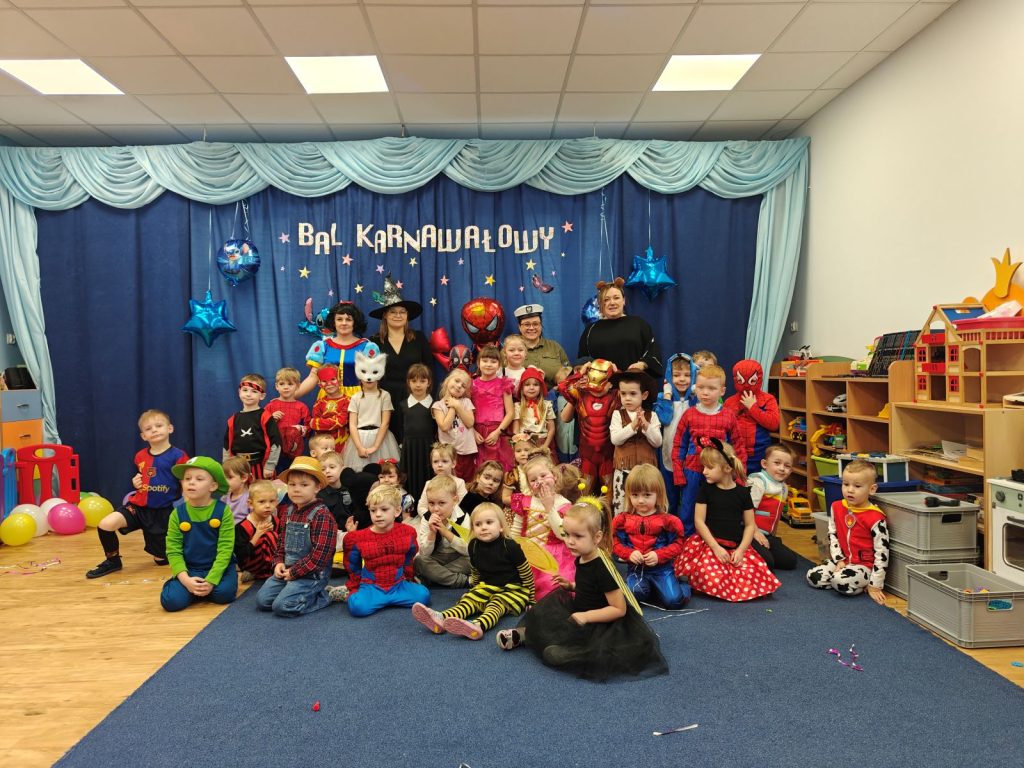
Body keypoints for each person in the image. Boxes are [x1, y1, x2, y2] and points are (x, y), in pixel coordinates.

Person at [496, 497, 668, 681]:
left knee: (559, 653)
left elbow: (619, 609)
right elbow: (591, 587)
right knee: (546, 615)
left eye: (577, 536)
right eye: (567, 534)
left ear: (597, 537)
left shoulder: (602, 568)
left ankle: (569, 652)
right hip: (580, 609)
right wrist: (571, 586)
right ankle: (523, 635)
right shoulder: (582, 555)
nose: (570, 541)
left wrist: (586, 616)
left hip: (602, 623)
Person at [86, 409, 189, 579]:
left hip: (162, 512)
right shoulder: (140, 456)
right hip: (138, 507)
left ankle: (174, 550)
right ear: (143, 436)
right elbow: (143, 477)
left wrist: (186, 507)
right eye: (148, 429)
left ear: (170, 428)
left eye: (159, 425)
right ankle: (113, 561)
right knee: (105, 524)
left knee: (161, 559)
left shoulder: (178, 456)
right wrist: (136, 482)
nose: (154, 430)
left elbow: (185, 482)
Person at [673, 439, 780, 602]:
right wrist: (715, 548)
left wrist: (741, 550)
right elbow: (699, 522)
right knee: (711, 576)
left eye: (709, 468)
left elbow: (750, 525)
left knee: (754, 575)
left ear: (727, 468)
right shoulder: (705, 490)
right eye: (703, 467)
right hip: (710, 546)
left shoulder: (743, 493)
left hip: (735, 546)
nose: (704, 472)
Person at [411, 502, 536, 640]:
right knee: (468, 601)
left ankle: (478, 625)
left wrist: (531, 599)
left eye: (489, 522)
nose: (484, 527)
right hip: (487, 587)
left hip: (512, 590)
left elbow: (526, 574)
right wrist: (474, 590)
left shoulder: (510, 546)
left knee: (495, 606)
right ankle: (441, 617)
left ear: (501, 526)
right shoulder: (474, 545)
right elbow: (475, 570)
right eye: (478, 524)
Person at [256, 457, 338, 617]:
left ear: (317, 487)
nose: (296, 489)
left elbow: (320, 557)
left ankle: (324, 596)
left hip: (312, 574)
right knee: (263, 601)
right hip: (287, 570)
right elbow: (281, 543)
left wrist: (294, 572)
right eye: (292, 485)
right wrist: (278, 562)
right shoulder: (288, 511)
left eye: (304, 485)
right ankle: (297, 591)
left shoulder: (322, 515)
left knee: (282, 606)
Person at [672, 364, 746, 535]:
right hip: (692, 471)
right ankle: (687, 540)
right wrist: (678, 472)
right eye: (700, 387)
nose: (705, 392)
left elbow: (738, 446)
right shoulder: (689, 415)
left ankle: (713, 540)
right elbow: (678, 445)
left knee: (717, 507)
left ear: (722, 391)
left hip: (719, 472)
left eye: (711, 388)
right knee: (688, 508)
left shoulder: (728, 416)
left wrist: (739, 474)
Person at [806, 459, 890, 604]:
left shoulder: (876, 517)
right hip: (842, 562)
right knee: (813, 577)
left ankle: (852, 582)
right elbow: (833, 535)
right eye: (845, 484)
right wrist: (839, 560)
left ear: (872, 489)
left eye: (857, 486)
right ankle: (842, 581)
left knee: (839, 581)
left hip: (864, 566)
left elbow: (882, 552)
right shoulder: (837, 507)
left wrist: (875, 585)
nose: (850, 490)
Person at [160, 457, 237, 612]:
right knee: (171, 601)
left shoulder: (223, 511)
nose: (191, 482)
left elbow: (226, 549)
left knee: (224, 594)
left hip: (218, 568)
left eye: (199, 479)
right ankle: (190, 587)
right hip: (190, 569)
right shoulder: (177, 514)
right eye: (187, 479)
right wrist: (186, 580)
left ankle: (199, 590)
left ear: (213, 486)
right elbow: (173, 550)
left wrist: (212, 580)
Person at [344, 485, 430, 617]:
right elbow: (352, 566)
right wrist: (354, 588)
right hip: (371, 586)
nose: (378, 514)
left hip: (399, 584)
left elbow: (409, 557)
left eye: (384, 509)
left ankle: (387, 599)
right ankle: (345, 592)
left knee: (423, 596)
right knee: (358, 607)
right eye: (373, 510)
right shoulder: (357, 538)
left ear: (397, 511)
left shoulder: (407, 532)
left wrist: (409, 578)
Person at [611, 465, 688, 609]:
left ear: (658, 494)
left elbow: (678, 544)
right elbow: (615, 544)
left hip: (662, 570)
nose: (640, 500)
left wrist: (659, 555)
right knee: (634, 595)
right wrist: (629, 554)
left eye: (647, 495)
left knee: (674, 601)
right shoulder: (622, 520)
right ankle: (653, 590)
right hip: (636, 570)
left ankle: (681, 584)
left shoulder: (668, 521)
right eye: (635, 495)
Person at [368, 275, 431, 443]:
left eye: (402, 312)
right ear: (385, 315)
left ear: (407, 316)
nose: (398, 315)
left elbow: (429, 369)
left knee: (413, 439)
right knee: (387, 440)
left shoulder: (418, 338)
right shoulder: (374, 342)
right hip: (383, 398)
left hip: (415, 395)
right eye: (393, 312)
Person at [509, 454, 575, 600]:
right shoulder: (525, 502)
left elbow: (562, 534)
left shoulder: (563, 504)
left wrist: (549, 507)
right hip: (526, 552)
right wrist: (511, 550)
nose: (539, 481)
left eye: (543, 476)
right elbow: (515, 530)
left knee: (550, 584)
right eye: (533, 480)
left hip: (553, 556)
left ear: (554, 476)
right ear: (529, 485)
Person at [577, 277, 663, 377]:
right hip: (601, 385)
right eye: (606, 299)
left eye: (616, 298)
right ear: (600, 304)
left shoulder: (639, 325)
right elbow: (582, 362)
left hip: (634, 383)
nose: (612, 303)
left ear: (624, 300)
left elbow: (652, 353)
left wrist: (642, 364)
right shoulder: (590, 330)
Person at [557, 357, 619, 495]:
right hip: (587, 456)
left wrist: (618, 374)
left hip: (608, 455)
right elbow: (562, 387)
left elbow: (629, 387)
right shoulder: (580, 395)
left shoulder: (616, 396)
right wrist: (580, 373)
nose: (595, 390)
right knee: (584, 491)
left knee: (609, 493)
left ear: (610, 383)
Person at [608, 370, 662, 515]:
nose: (627, 398)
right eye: (623, 394)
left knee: (645, 506)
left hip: (647, 472)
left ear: (644, 395)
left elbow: (657, 442)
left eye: (633, 394)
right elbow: (615, 439)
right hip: (623, 470)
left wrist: (645, 426)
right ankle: (621, 527)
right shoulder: (617, 414)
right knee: (621, 506)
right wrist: (632, 426)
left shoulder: (652, 415)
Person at [340, 342, 400, 470]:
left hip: (381, 439)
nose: (369, 378)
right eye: (364, 372)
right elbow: (352, 425)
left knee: (383, 472)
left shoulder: (384, 396)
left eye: (374, 373)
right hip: (359, 439)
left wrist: (375, 446)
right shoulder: (355, 397)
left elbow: (385, 423)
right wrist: (359, 447)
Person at [297, 300, 372, 399]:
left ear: (355, 322)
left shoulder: (366, 347)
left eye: (348, 319)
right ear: (333, 322)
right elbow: (313, 377)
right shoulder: (323, 346)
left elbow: (372, 379)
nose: (344, 323)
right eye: (339, 319)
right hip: (329, 399)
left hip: (357, 399)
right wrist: (291, 396)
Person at [653, 353, 694, 519]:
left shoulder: (696, 399)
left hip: (690, 458)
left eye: (687, 375)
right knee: (670, 497)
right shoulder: (664, 398)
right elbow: (665, 419)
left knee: (688, 498)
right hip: (668, 455)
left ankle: (686, 527)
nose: (682, 379)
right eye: (676, 375)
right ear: (669, 376)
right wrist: (667, 396)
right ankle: (669, 525)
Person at [747, 444, 800, 571]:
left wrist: (772, 538)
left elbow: (776, 516)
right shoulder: (758, 482)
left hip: (767, 534)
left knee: (790, 561)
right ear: (765, 464)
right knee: (767, 563)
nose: (782, 469)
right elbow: (746, 511)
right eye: (777, 463)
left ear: (791, 470)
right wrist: (755, 532)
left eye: (787, 466)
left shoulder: (784, 487)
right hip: (749, 532)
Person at [724, 359, 780, 476]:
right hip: (735, 453)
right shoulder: (730, 402)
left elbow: (774, 424)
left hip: (760, 453)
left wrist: (753, 407)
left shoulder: (768, 399)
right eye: (741, 381)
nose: (746, 385)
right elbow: (724, 428)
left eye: (752, 381)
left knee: (759, 482)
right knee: (737, 481)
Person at [414, 474, 471, 588]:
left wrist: (446, 532)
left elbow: (468, 550)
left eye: (441, 503)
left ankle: (434, 578)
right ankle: (462, 581)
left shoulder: (463, 517)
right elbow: (424, 553)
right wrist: (432, 533)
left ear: (455, 500)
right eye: (431, 503)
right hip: (436, 557)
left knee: (475, 559)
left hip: (457, 556)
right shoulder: (427, 518)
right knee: (419, 561)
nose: (435, 509)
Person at [224, 373, 282, 480]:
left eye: (254, 391)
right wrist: (227, 465)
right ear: (239, 392)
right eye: (245, 390)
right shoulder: (233, 419)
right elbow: (227, 445)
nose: (248, 394)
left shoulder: (265, 416)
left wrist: (270, 466)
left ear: (262, 396)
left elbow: (276, 443)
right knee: (241, 490)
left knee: (262, 490)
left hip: (261, 466)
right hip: (238, 467)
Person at [471, 343, 514, 471]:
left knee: (497, 467)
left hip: (497, 431)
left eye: (493, 361)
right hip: (477, 433)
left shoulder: (503, 384)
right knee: (479, 468)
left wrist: (497, 432)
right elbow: (466, 412)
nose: (489, 364)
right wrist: (473, 432)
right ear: (478, 363)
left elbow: (510, 413)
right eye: (485, 361)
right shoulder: (472, 385)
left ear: (499, 365)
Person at [399, 363, 435, 504]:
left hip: (428, 447)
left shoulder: (434, 405)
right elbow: (399, 429)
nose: (418, 385)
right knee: (411, 479)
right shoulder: (403, 405)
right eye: (414, 381)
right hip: (410, 449)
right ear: (408, 382)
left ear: (429, 382)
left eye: (422, 381)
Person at [432, 368, 477, 481]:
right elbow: (444, 427)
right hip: (448, 454)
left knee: (467, 482)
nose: (459, 386)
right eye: (456, 381)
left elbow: (470, 423)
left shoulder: (466, 402)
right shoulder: (438, 405)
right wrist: (452, 407)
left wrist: (457, 406)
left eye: (463, 386)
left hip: (467, 451)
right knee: (449, 482)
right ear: (447, 381)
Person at [514, 304, 570, 388]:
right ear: (519, 327)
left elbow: (568, 372)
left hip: (554, 394)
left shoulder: (554, 347)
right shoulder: (511, 349)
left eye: (535, 324)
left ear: (541, 325)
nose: (531, 328)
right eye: (527, 324)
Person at [235, 479, 280, 582]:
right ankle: (254, 572)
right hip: (250, 562)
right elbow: (240, 555)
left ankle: (274, 569)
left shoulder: (277, 521)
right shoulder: (242, 526)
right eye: (262, 502)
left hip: (273, 562)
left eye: (272, 501)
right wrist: (257, 535)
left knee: (274, 536)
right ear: (250, 504)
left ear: (277, 502)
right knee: (269, 535)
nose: (268, 505)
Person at [267, 367, 310, 473]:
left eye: (290, 384)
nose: (286, 387)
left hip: (295, 450)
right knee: (276, 474)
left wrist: (300, 429)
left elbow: (308, 428)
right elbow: (262, 427)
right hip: (275, 450)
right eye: (282, 384)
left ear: (298, 386)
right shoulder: (271, 406)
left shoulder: (302, 407)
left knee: (294, 474)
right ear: (276, 386)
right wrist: (271, 419)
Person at [415, 442, 468, 518]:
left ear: (453, 463)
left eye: (444, 461)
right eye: (435, 461)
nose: (439, 465)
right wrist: (431, 517)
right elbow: (421, 507)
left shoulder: (459, 483)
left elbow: (463, 507)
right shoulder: (429, 483)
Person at [512, 366, 555, 452]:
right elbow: (516, 430)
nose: (531, 388)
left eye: (535, 385)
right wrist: (523, 446)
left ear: (540, 387)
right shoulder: (518, 406)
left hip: (543, 442)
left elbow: (551, 429)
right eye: (527, 385)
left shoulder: (547, 405)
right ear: (522, 388)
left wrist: (545, 446)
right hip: (525, 444)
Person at [308, 365, 350, 450]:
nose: (329, 384)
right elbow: (315, 426)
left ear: (340, 381)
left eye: (333, 379)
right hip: (323, 447)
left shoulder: (348, 401)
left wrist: (319, 422)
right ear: (320, 385)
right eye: (324, 381)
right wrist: (315, 423)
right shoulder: (319, 403)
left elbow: (341, 421)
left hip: (343, 444)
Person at [221, 456, 252, 523]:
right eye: (224, 477)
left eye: (230, 477)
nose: (225, 481)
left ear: (243, 478)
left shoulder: (250, 498)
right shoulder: (225, 497)